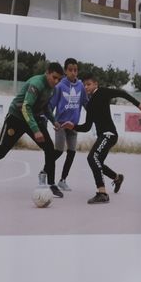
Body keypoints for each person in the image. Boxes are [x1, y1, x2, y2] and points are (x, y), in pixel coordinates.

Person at [0, 64, 65, 196]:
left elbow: (45, 106)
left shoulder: (52, 89)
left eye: (59, 79)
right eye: (54, 77)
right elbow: (26, 107)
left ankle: (51, 184)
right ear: (47, 73)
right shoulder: (36, 84)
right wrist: (36, 130)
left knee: (49, 149)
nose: (56, 81)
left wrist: (54, 120)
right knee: (0, 152)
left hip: (33, 118)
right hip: (16, 117)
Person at [69, 71, 141, 204]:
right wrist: (73, 126)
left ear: (95, 84)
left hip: (109, 134)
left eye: (89, 84)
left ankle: (102, 193)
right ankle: (117, 178)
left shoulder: (103, 92)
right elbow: (86, 127)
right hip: (103, 136)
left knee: (92, 158)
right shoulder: (90, 104)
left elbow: (122, 93)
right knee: (97, 163)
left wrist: (138, 105)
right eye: (84, 85)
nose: (86, 87)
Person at [48, 57, 86, 190]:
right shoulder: (59, 86)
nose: (73, 73)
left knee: (72, 152)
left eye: (75, 70)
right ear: (65, 71)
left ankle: (63, 180)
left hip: (73, 125)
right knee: (58, 151)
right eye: (70, 70)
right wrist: (52, 121)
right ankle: (44, 171)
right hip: (61, 124)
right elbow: (51, 105)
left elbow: (85, 103)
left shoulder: (81, 86)